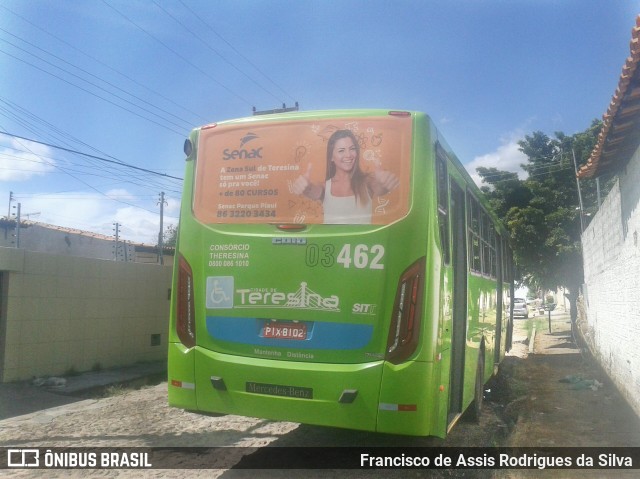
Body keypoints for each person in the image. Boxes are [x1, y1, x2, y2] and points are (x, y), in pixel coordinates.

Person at [291, 129, 399, 224]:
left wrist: (384, 183)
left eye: (352, 149)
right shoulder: (324, 187)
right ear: (331, 158)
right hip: (332, 245)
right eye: (341, 150)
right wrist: (305, 187)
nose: (348, 155)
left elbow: (379, 188)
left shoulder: (367, 181)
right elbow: (313, 191)